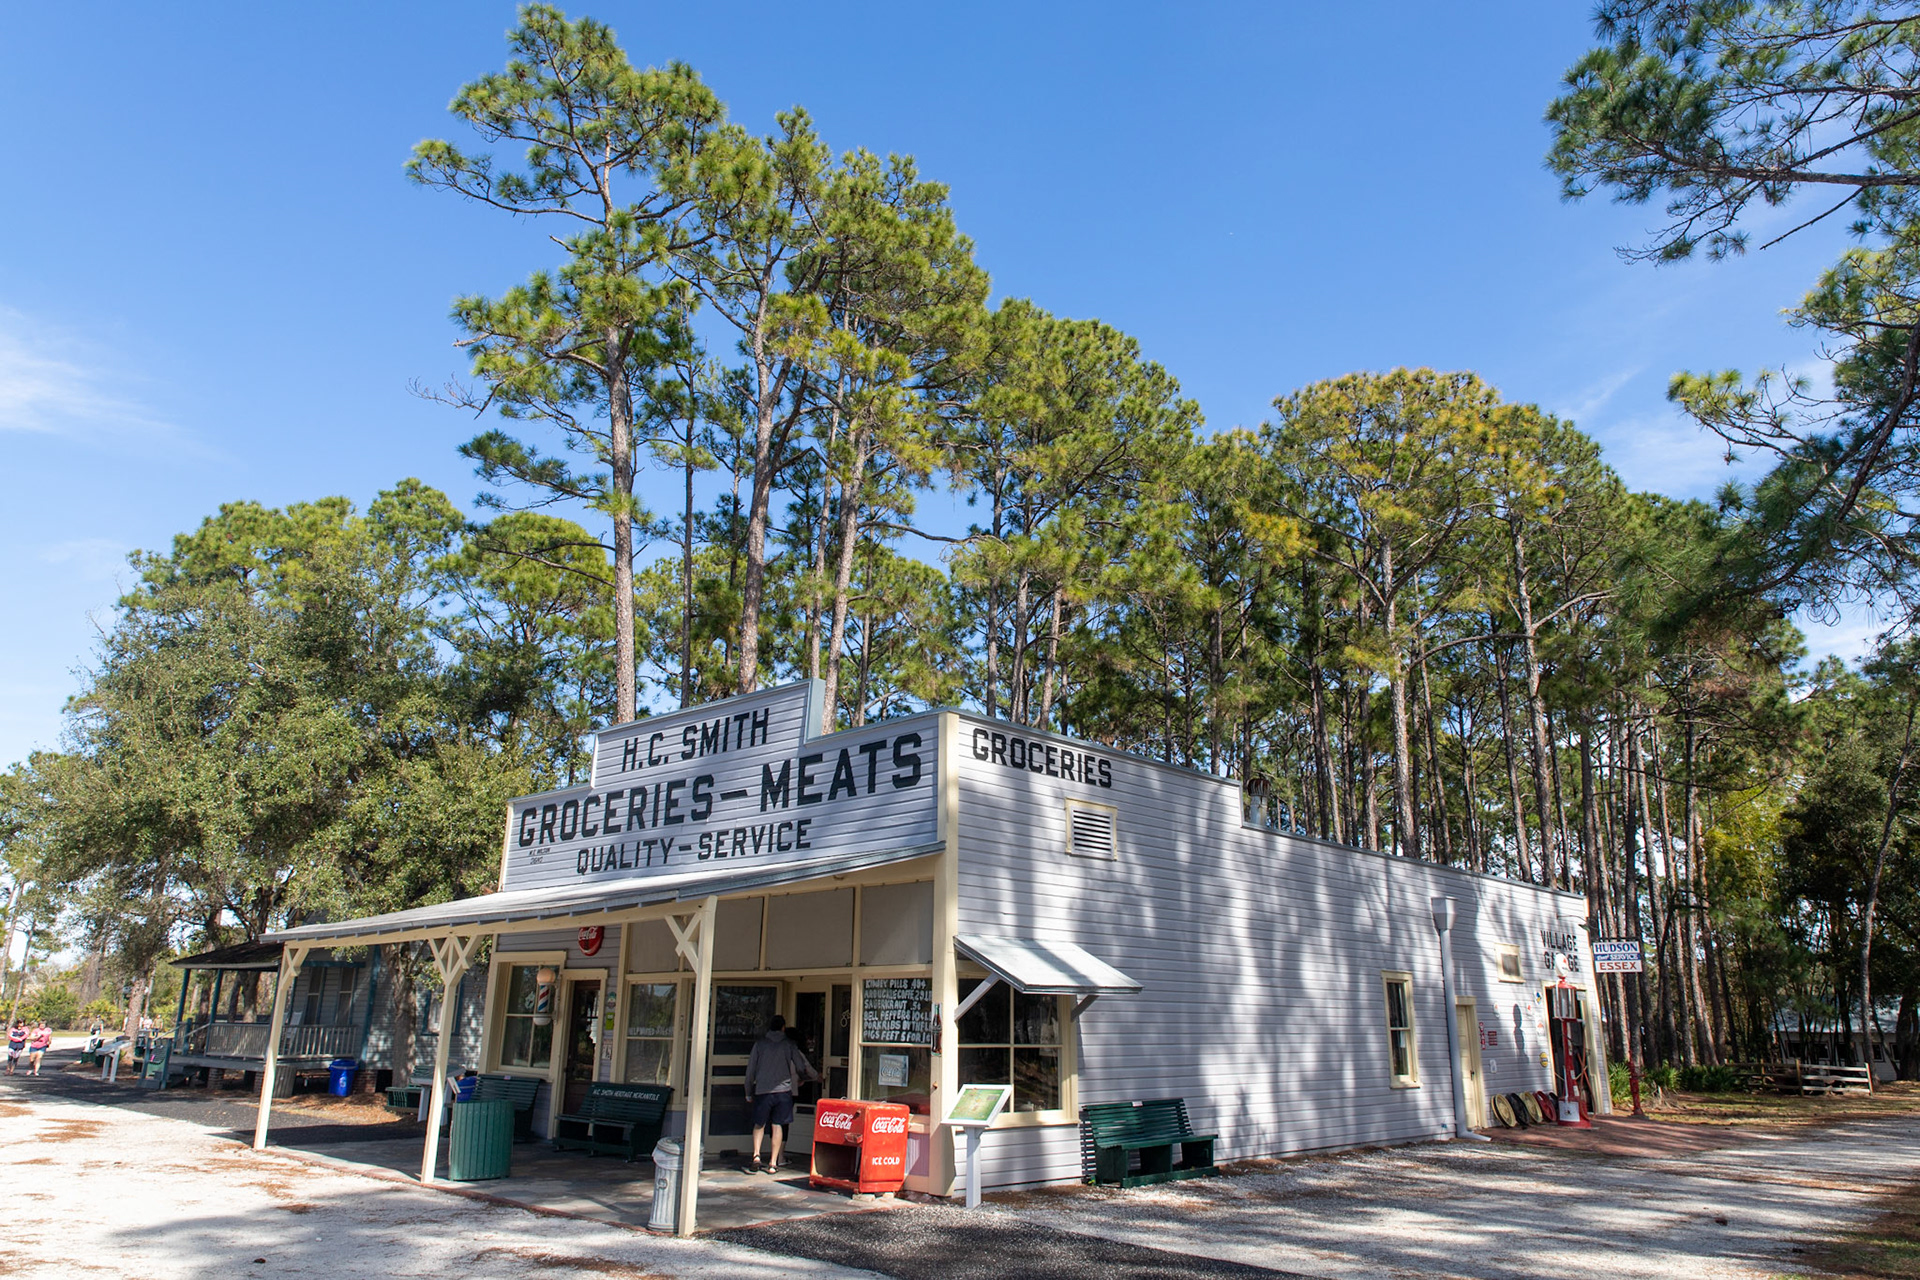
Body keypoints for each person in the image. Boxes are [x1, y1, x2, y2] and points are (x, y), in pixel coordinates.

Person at [743, 1014, 818, 1174]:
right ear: (783, 1027)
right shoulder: (789, 1044)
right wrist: (802, 1078)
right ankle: (773, 1163)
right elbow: (800, 1065)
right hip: (783, 1091)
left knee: (759, 1124)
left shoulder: (760, 1044)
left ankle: (756, 1155)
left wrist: (748, 1091)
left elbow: (750, 1070)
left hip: (763, 1089)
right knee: (778, 1125)